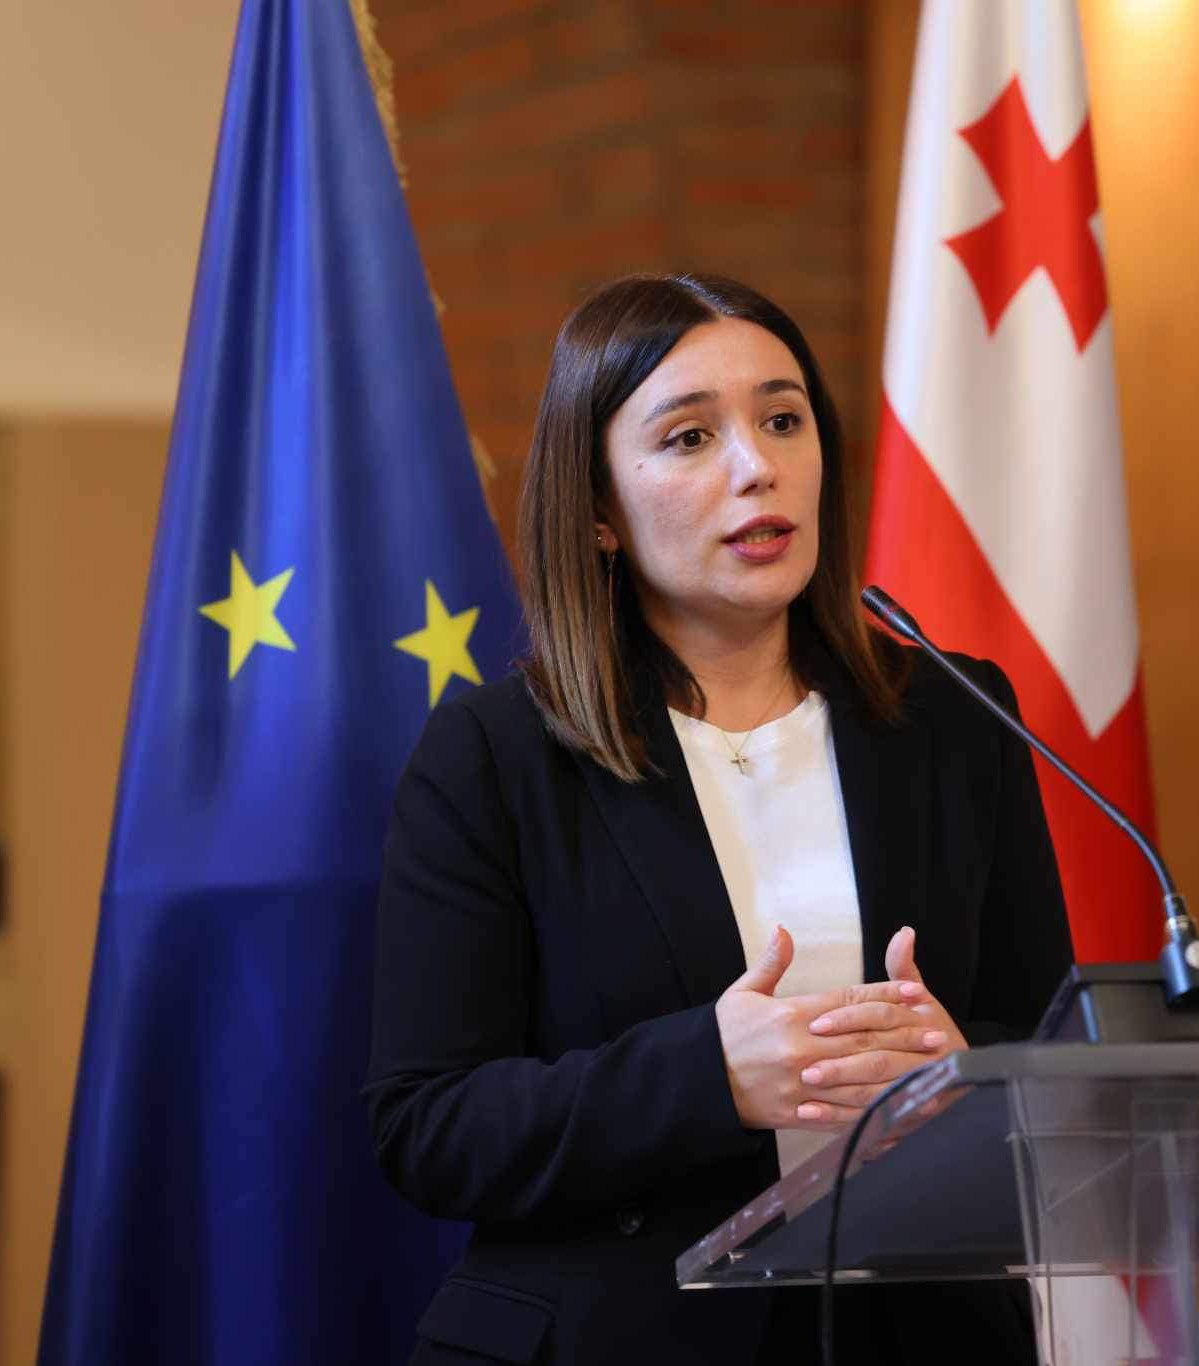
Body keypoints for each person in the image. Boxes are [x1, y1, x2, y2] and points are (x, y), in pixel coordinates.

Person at [365, 273, 1076, 1364]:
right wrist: (706, 1076)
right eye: (690, 437)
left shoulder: (952, 716)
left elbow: (1053, 1052)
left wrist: (964, 1072)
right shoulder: (495, 756)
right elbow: (429, 1126)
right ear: (598, 510)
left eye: (782, 420)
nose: (756, 466)